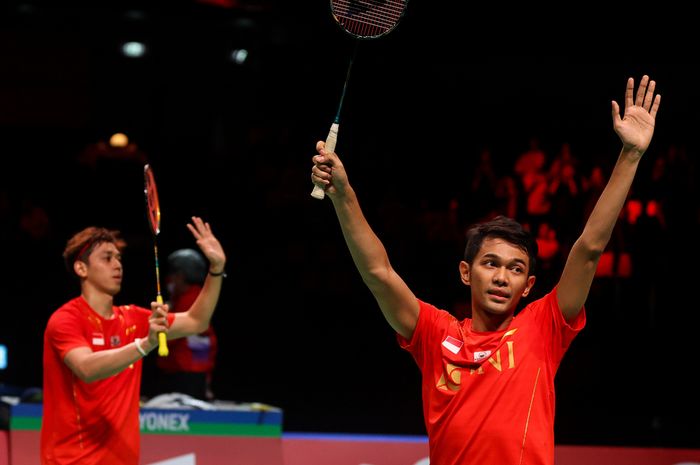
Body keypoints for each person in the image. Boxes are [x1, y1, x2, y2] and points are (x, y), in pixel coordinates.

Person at [310, 75, 660, 465]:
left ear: (527, 286)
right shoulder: (434, 334)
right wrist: (343, 195)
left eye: (514, 269)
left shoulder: (543, 328)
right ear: (466, 272)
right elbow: (378, 272)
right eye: (490, 264)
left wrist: (630, 155)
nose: (500, 277)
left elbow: (590, 248)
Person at [41, 216, 226, 465]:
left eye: (118, 258)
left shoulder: (133, 319)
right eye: (107, 258)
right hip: (72, 460)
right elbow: (87, 368)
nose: (117, 265)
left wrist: (216, 269)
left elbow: (197, 321)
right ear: (81, 268)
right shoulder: (65, 320)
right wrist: (145, 344)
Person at [154, 248, 218, 400]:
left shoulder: (191, 300)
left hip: (187, 376)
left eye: (173, 275)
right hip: (190, 372)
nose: (169, 280)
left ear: (181, 276)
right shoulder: (188, 298)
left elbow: (170, 336)